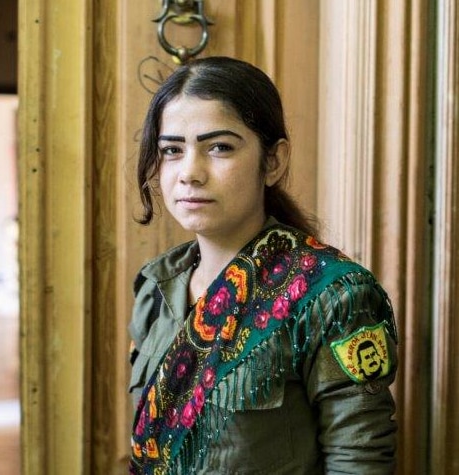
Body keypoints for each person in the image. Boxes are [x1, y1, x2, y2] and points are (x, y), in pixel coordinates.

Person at [127, 56, 398, 474]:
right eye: (172, 151)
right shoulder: (157, 287)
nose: (190, 173)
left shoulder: (331, 296)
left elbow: (358, 460)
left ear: (273, 161)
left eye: (219, 147)